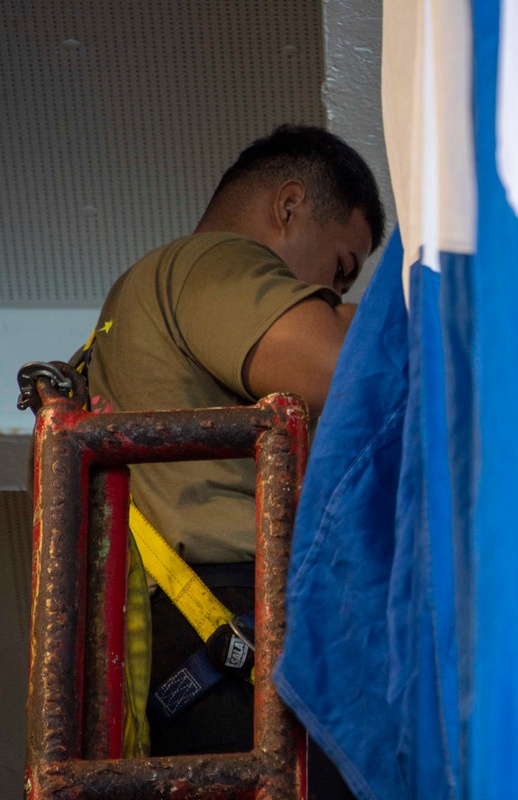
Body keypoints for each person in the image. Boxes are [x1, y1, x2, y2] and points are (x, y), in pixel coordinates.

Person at [86, 124, 385, 798]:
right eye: (340, 269)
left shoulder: (131, 312)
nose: (333, 297)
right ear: (288, 207)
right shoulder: (211, 262)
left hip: (192, 642)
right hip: (230, 626)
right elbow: (343, 370)